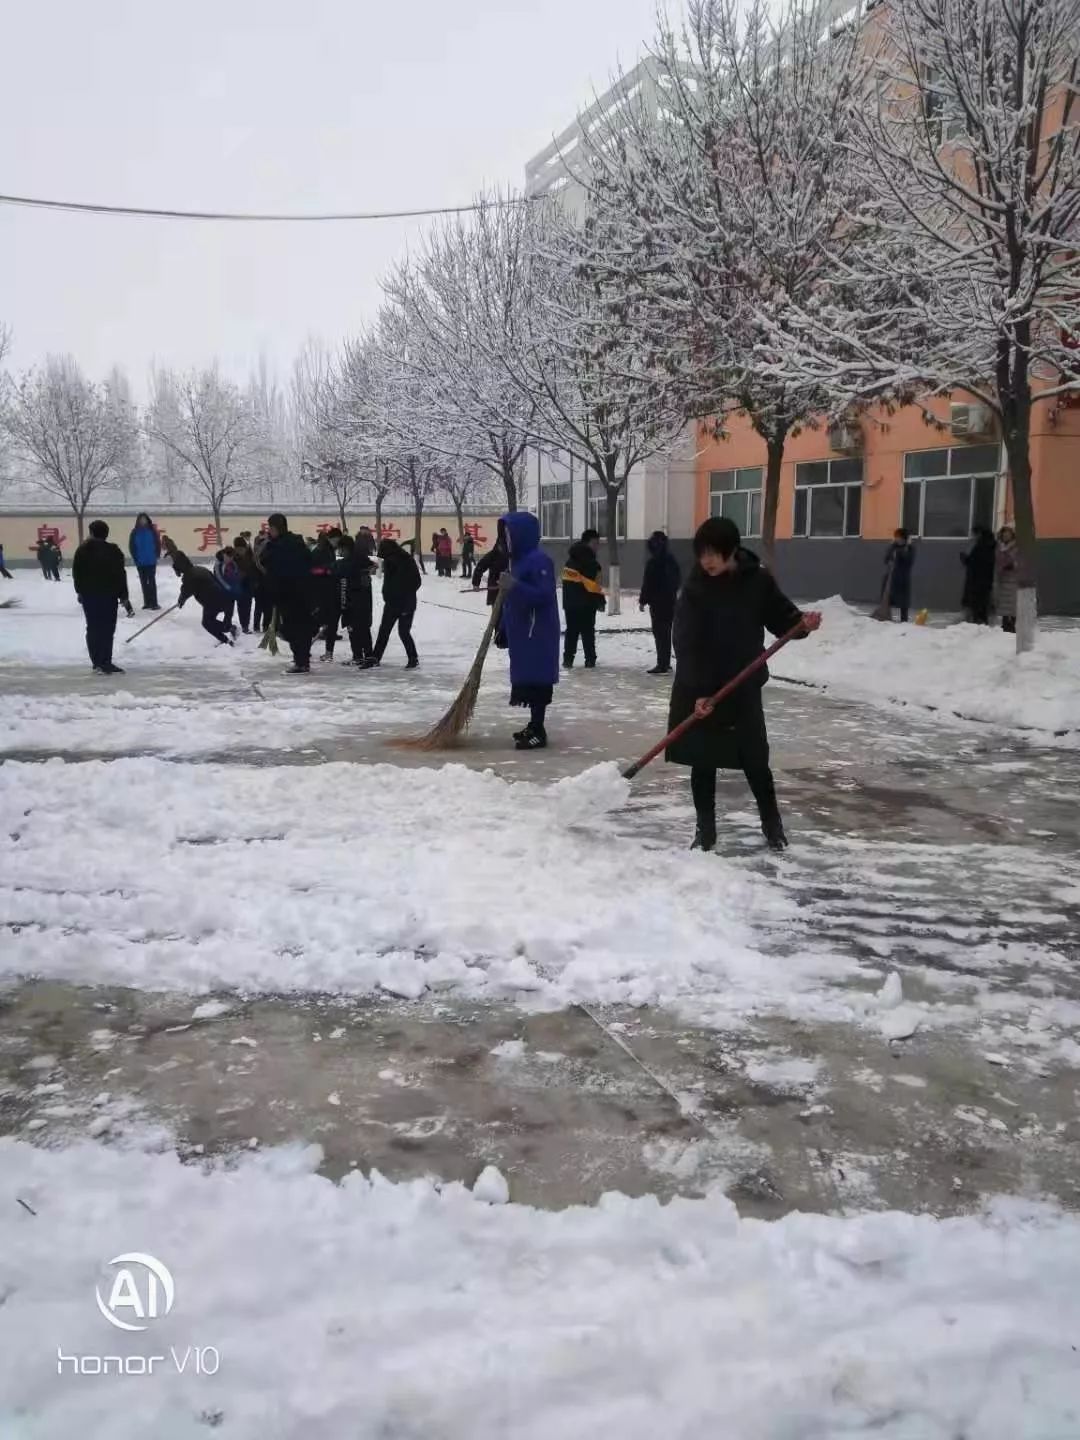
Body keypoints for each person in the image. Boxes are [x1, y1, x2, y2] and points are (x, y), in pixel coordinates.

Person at [667, 516, 821, 853]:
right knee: (703, 761)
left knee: (755, 760)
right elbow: (687, 642)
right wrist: (700, 691)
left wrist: (802, 624)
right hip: (701, 688)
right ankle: (704, 830)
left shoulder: (757, 582)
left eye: (713, 553)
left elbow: (782, 619)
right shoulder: (695, 588)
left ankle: (772, 825)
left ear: (732, 550)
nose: (706, 561)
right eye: (701, 553)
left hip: (742, 687)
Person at [496, 511, 560, 750]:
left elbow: (543, 596)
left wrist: (515, 585)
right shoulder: (519, 562)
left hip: (538, 634)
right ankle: (533, 725)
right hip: (523, 634)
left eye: (509, 534)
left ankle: (538, 729)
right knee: (528, 679)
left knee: (538, 681)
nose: (506, 540)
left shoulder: (540, 561)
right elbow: (510, 600)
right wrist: (503, 628)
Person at [71, 520, 134, 674]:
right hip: (109, 596)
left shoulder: (83, 550)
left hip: (90, 596)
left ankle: (97, 662)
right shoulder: (114, 551)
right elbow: (120, 575)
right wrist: (124, 596)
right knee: (107, 629)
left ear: (92, 532)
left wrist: (79, 592)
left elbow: (77, 573)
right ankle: (106, 661)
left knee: (93, 628)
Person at [260, 513, 315, 673]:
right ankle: (302, 659)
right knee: (298, 628)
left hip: (291, 593)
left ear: (278, 528)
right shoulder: (292, 543)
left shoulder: (283, 546)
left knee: (293, 629)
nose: (269, 531)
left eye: (271, 528)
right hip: (297, 593)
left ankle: (302, 661)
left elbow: (275, 567)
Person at [362, 538, 421, 668]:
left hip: (403, 603)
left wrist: (404, 594)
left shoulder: (403, 561)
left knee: (400, 632)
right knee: (387, 631)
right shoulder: (395, 560)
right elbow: (391, 583)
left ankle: (412, 658)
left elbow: (415, 581)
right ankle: (376, 657)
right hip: (395, 603)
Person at [561, 528, 606, 668]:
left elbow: (567, 581)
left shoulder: (570, 560)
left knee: (571, 632)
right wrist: (600, 601)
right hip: (587, 603)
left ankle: (568, 660)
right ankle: (590, 660)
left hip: (571, 603)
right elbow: (595, 586)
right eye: (595, 543)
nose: (597, 547)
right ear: (588, 543)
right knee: (588, 632)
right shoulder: (593, 564)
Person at [639, 530, 681, 674]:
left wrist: (643, 601)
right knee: (666, 632)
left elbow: (648, 583)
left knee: (659, 633)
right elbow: (677, 580)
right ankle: (665, 662)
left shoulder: (653, 563)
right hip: (669, 602)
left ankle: (662, 664)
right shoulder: (672, 560)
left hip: (657, 603)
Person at [172, 549, 235, 646]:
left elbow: (186, 591)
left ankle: (226, 640)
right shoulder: (200, 569)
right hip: (221, 597)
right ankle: (229, 630)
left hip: (212, 601)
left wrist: (181, 601)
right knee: (210, 621)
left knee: (207, 623)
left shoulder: (189, 576)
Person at [335, 534, 375, 664]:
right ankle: (368, 655)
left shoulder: (347, 563)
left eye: (341, 549)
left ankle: (358, 656)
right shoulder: (361, 559)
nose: (340, 552)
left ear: (346, 548)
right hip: (364, 601)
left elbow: (339, 575)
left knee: (353, 629)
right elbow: (373, 566)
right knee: (363, 628)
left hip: (352, 601)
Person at [309, 528, 342, 661]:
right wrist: (327, 571)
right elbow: (312, 570)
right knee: (316, 622)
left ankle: (329, 652)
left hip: (330, 591)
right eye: (336, 540)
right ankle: (303, 648)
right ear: (330, 538)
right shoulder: (320, 551)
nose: (337, 543)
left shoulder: (329, 550)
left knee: (332, 623)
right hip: (320, 592)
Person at [961, 524, 996, 624]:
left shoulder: (981, 546)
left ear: (979, 534)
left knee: (978, 603)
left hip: (977, 580)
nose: (973, 536)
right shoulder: (990, 545)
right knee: (982, 603)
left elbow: (975, 563)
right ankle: (981, 621)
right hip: (985, 580)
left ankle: (979, 622)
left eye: (974, 534)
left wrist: (965, 559)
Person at [128, 512, 162, 610]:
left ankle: (154, 603)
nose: (143, 521)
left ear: (147, 520)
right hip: (140, 561)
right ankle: (147, 602)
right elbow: (132, 546)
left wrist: (157, 555)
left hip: (151, 560)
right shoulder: (134, 532)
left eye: (144, 519)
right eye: (141, 519)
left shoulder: (152, 531)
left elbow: (157, 543)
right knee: (143, 582)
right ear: (138, 521)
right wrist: (135, 558)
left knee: (151, 581)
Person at [882, 528, 916, 623]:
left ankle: (904, 621)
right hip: (892, 577)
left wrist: (903, 550)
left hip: (903, 578)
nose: (897, 539)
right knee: (887, 598)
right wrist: (889, 560)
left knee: (903, 602)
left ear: (904, 538)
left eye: (899, 537)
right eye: (896, 537)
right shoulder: (893, 547)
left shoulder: (910, 548)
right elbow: (886, 559)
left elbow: (909, 560)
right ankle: (885, 617)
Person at [472, 520, 509, 605]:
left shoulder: (516, 553)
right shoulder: (494, 554)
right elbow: (480, 566)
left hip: (512, 592)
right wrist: (476, 583)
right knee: (497, 615)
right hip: (495, 590)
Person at [995, 525, 1020, 634]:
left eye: (1008, 533)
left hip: (1014, 578)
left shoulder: (1017, 546)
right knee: (1004, 602)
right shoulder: (999, 547)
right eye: (1004, 533)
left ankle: (1014, 624)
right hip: (1002, 577)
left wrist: (1013, 565)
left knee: (1013, 602)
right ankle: (1005, 623)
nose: (1005, 535)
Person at [231, 535, 257, 633]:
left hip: (249, 584)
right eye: (238, 549)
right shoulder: (233, 557)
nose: (240, 551)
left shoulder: (250, 555)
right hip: (239, 586)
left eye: (242, 549)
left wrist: (255, 581)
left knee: (248, 605)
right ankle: (244, 625)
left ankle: (246, 624)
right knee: (241, 606)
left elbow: (254, 568)